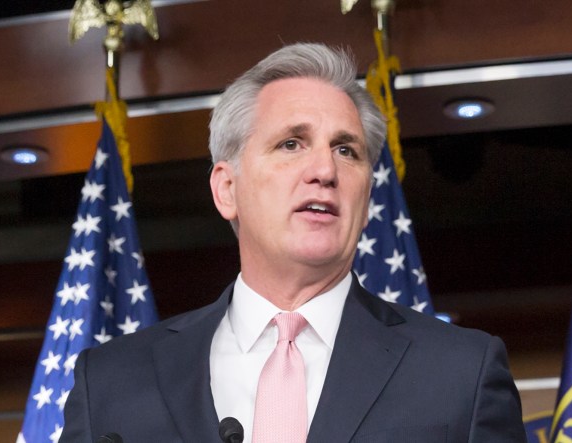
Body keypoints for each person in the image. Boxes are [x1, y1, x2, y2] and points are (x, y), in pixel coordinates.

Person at [61, 43, 526, 443]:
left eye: (347, 150)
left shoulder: (461, 375)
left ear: (366, 201)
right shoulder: (110, 381)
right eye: (291, 144)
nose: (325, 171)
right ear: (226, 189)